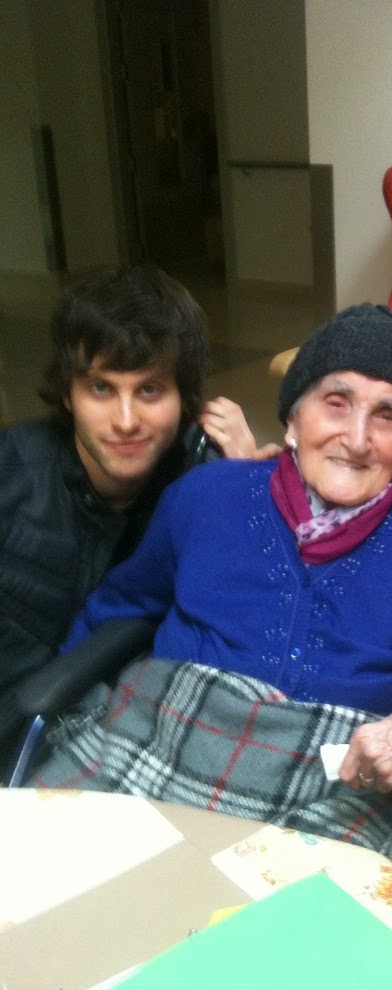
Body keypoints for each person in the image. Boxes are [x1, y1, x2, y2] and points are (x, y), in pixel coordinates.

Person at [30, 304, 392, 858]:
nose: (357, 439)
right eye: (336, 403)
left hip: (336, 796)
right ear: (292, 419)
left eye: (387, 416)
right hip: (161, 749)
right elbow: (119, 608)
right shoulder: (205, 496)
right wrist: (64, 697)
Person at [0, 265, 278, 744]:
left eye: (149, 389)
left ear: (186, 398)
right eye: (101, 388)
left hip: (109, 736)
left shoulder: (200, 481)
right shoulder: (14, 471)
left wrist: (239, 489)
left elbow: (260, 631)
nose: (125, 421)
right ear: (67, 395)